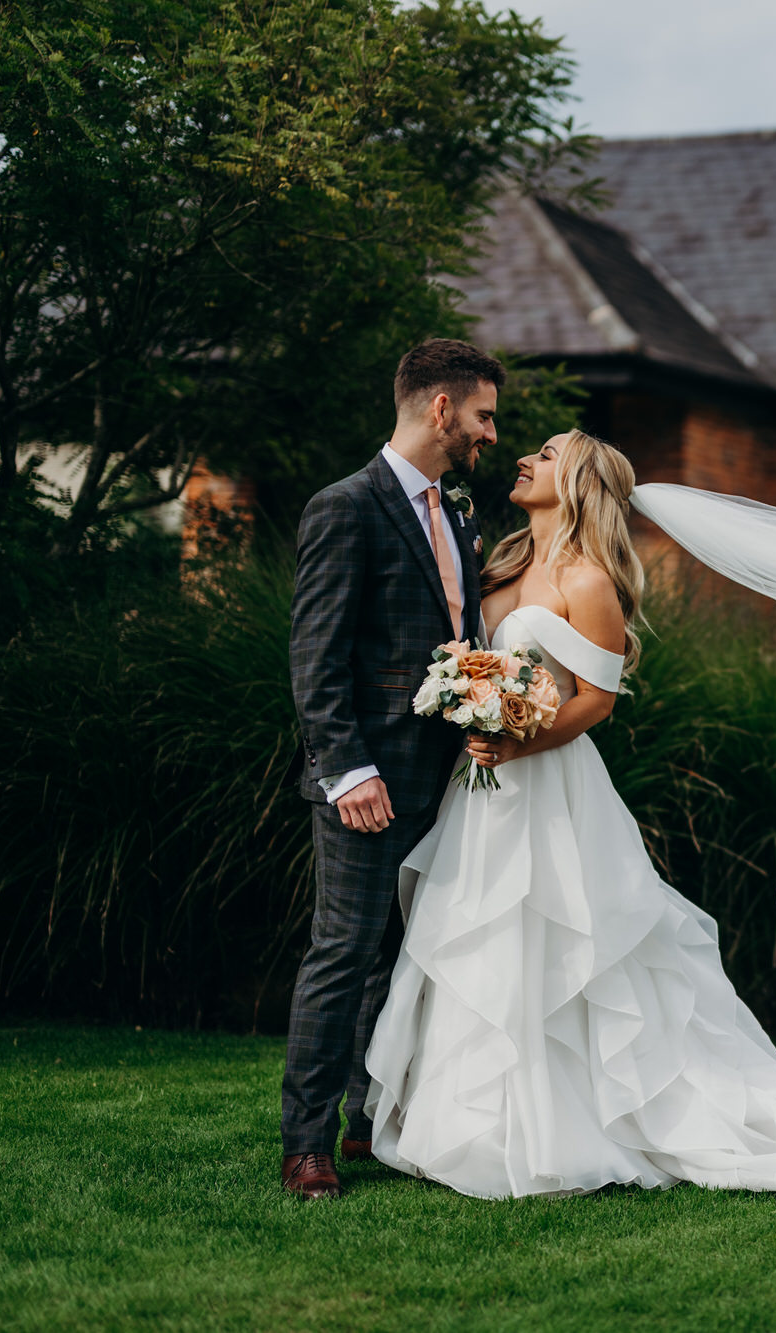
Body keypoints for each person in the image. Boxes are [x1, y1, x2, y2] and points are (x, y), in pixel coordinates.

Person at [357, 428, 776, 1199]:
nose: (525, 460)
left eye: (544, 455)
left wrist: (518, 743)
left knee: (554, 939)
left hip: (547, 787)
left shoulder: (589, 578)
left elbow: (597, 700)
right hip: (482, 789)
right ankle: (478, 1117)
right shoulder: (500, 559)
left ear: (574, 482)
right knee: (482, 932)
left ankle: (570, 1122)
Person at [282, 339, 499, 1200]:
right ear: (440, 408)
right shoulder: (346, 507)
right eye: (483, 414)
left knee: (403, 960)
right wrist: (346, 770)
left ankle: (374, 1122)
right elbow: (315, 656)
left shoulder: (459, 512)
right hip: (366, 785)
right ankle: (307, 1144)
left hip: (445, 781)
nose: (490, 432)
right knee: (343, 953)